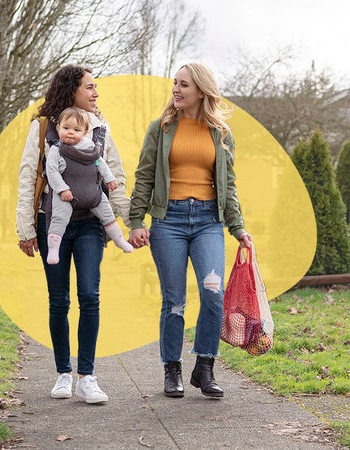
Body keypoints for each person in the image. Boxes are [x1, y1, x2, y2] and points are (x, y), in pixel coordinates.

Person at [128, 63, 253, 398]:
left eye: (183, 84)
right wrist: (136, 220)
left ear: (201, 90)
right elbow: (144, 177)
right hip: (169, 221)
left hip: (209, 221)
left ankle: (205, 366)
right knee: (174, 301)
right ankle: (172, 370)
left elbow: (231, 185)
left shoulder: (222, 134)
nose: (176, 90)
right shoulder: (162, 128)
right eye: (175, 83)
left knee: (213, 295)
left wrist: (237, 226)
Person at [16, 64, 131, 404]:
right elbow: (27, 177)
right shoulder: (42, 129)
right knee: (58, 300)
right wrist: (25, 229)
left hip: (89, 224)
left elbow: (116, 178)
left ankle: (87, 377)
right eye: (90, 88)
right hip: (52, 223)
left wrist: (132, 221)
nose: (96, 94)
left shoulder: (100, 130)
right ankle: (63, 373)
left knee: (90, 296)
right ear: (72, 91)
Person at [45, 107, 134, 264]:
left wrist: (110, 179)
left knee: (108, 215)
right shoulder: (56, 150)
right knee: (59, 218)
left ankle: (120, 240)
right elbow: (52, 172)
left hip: (93, 195)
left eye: (76, 130)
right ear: (59, 127)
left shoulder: (91, 147)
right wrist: (62, 189)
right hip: (67, 196)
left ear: (85, 131)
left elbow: (100, 163)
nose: (70, 132)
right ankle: (53, 249)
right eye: (66, 128)